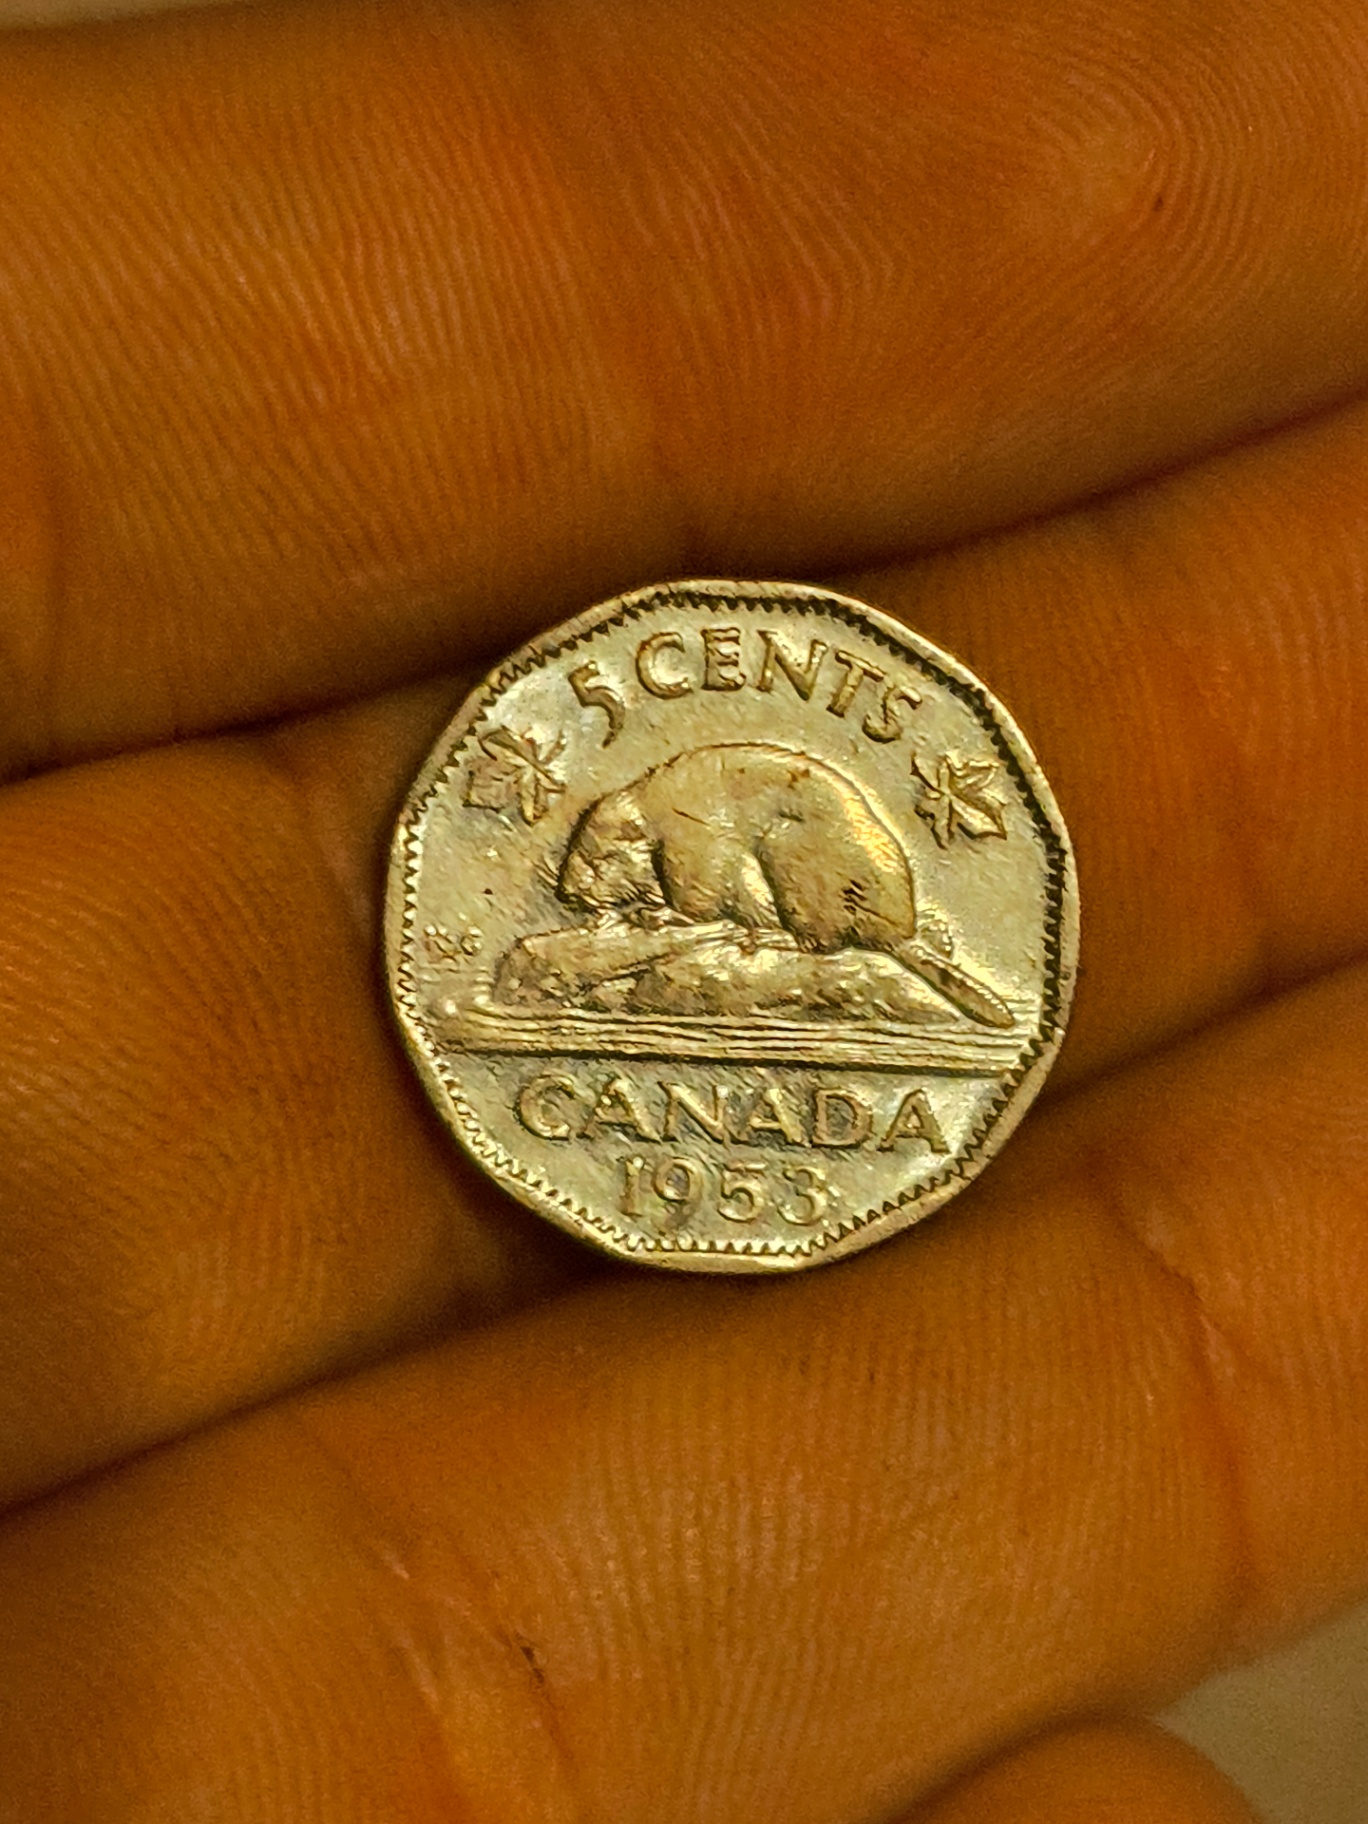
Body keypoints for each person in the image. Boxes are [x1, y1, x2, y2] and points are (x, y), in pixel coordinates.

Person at [0, 0, 1361, 1817]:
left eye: (614, 877)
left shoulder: (690, 825)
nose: (620, 883)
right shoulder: (648, 825)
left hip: (835, 883)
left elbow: (735, 890)